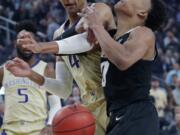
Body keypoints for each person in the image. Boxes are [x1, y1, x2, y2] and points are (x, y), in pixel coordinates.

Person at [6, 1, 116, 135]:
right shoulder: (58, 34)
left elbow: (87, 41)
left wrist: (42, 46)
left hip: (113, 101)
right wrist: (31, 74)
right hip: (88, 109)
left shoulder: (98, 10)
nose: (69, 0)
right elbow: (63, 90)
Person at [79, 0, 166, 134]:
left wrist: (96, 25)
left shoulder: (143, 32)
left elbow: (124, 59)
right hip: (117, 116)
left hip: (137, 114)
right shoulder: (111, 39)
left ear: (142, 13)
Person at [0, 21, 61, 135]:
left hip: (38, 130)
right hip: (9, 131)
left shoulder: (46, 69)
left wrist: (50, 124)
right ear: (15, 43)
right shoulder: (4, 69)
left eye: (29, 39)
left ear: (36, 43)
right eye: (22, 39)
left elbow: (55, 103)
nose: (26, 43)